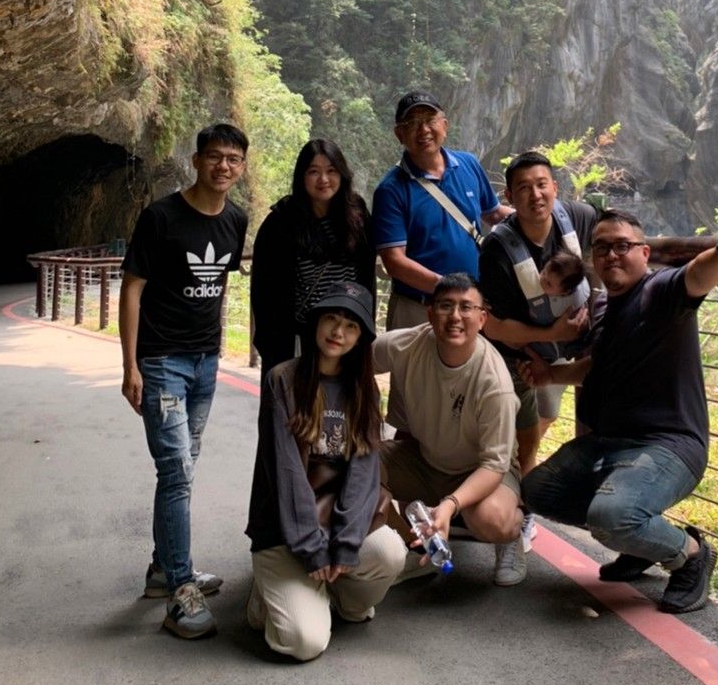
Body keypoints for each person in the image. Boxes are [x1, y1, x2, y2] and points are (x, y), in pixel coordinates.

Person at [521, 209, 718, 613]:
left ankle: (690, 554)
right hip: (608, 444)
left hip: (667, 445)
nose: (611, 255)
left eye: (622, 246)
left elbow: (698, 276)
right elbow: (596, 367)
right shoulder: (603, 307)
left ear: (644, 253)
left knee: (611, 516)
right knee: (537, 490)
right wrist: (549, 376)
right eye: (602, 248)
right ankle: (639, 542)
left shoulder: (660, 290)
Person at [119, 121, 250, 639]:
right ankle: (180, 588)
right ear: (196, 161)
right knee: (176, 471)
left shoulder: (235, 220)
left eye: (233, 159)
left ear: (242, 168)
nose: (223, 166)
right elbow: (133, 288)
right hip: (161, 362)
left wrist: (215, 351)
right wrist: (130, 365)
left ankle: (163, 568)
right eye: (214, 156)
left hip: (204, 363)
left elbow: (219, 288)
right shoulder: (161, 217)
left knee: (183, 465)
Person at [244, 283, 406, 661]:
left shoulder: (364, 390)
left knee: (389, 554)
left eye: (351, 325)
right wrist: (313, 549)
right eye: (331, 319)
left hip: (336, 520)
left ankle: (337, 599)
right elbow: (285, 472)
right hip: (285, 529)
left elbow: (364, 474)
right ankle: (270, 597)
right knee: (305, 642)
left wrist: (346, 545)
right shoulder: (282, 379)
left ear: (361, 337)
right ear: (315, 323)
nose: (338, 332)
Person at [373, 273, 527, 587]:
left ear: (482, 319)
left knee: (490, 519)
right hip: (425, 459)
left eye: (466, 307)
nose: (455, 316)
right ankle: (414, 548)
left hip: (482, 471)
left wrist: (450, 504)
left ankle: (513, 536)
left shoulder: (494, 383)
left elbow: (493, 465)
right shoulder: (406, 345)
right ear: (430, 313)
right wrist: (364, 418)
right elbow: (351, 366)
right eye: (445, 306)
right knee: (355, 468)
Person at [478, 151, 597, 475]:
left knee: (551, 413)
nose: (536, 195)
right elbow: (494, 327)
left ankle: (521, 475)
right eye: (524, 188)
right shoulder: (496, 250)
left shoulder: (578, 217)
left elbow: (615, 233)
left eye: (542, 184)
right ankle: (517, 485)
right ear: (509, 196)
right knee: (523, 437)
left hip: (566, 350)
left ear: (555, 187)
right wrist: (550, 334)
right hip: (516, 356)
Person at [371, 91, 509, 329]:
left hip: (469, 307)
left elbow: (494, 214)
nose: (423, 129)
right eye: (412, 123)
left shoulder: (468, 164)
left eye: (429, 120)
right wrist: (451, 290)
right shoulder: (391, 190)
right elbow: (394, 262)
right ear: (399, 134)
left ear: (444, 125)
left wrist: (545, 214)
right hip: (417, 308)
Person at [251, 138, 376, 377]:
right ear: (301, 176)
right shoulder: (282, 221)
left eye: (331, 171)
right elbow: (264, 290)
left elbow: (367, 277)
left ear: (342, 174)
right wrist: (273, 346)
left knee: (341, 398)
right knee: (294, 398)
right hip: (298, 337)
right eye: (313, 172)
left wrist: (364, 329)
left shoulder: (357, 216)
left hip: (345, 333)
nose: (323, 179)